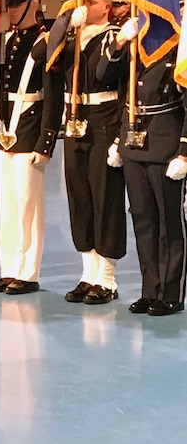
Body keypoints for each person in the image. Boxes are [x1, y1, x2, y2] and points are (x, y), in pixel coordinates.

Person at [0, 0, 64, 295]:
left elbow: (53, 97)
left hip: (29, 129)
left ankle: (28, 271)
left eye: (18, 3)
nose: (11, 9)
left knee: (29, 203)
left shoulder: (45, 42)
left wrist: (46, 140)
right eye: (10, 3)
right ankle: (9, 267)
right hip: (2, 129)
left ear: (34, 4)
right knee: (6, 202)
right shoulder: (6, 41)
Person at [106, 18, 186, 315]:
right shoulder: (134, 47)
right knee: (143, 221)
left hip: (166, 147)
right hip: (134, 146)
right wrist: (119, 44)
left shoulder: (178, 47)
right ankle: (149, 290)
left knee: (169, 223)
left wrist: (185, 152)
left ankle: (171, 293)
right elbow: (105, 75)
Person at [57, 0, 126, 304]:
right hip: (75, 122)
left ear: (107, 7)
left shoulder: (114, 38)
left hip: (103, 121)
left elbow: (104, 75)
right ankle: (88, 273)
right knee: (80, 199)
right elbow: (43, 55)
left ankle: (108, 279)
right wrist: (65, 26)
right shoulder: (70, 37)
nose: (83, 6)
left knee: (105, 198)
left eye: (91, 2)